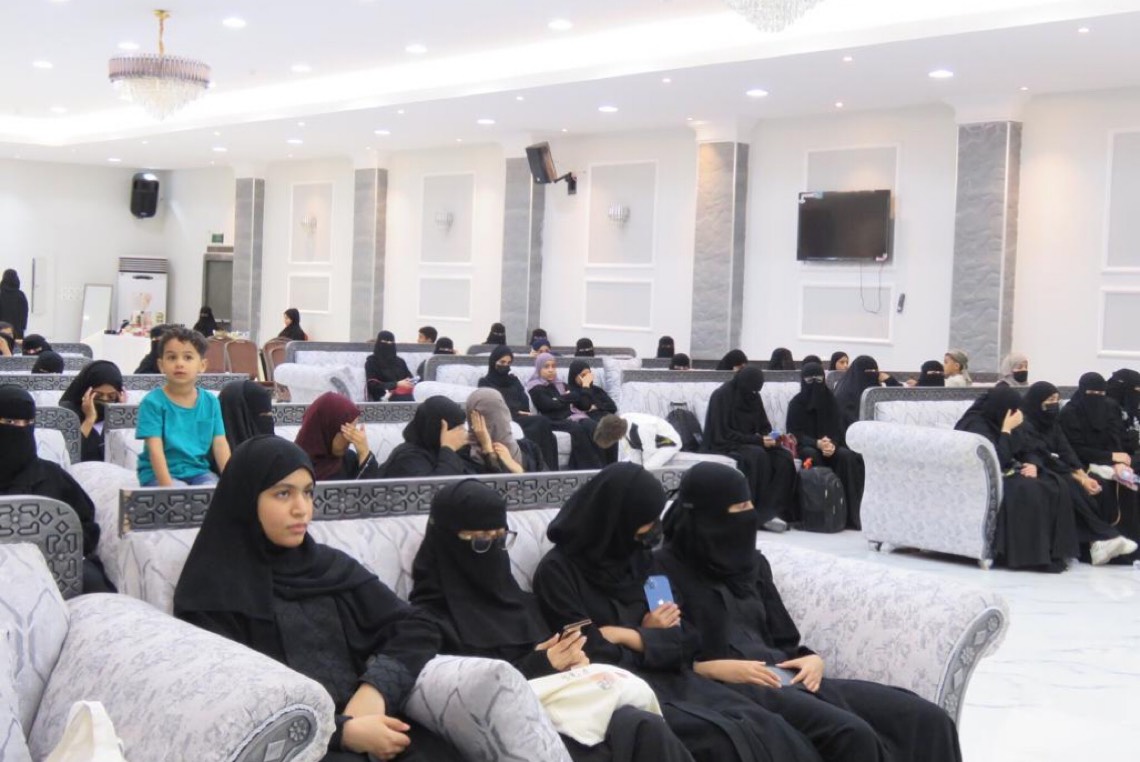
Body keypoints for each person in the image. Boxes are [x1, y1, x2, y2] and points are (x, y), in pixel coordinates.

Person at [173, 436, 463, 762]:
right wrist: (340, 733)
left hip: (373, 726)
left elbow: (419, 625)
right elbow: (231, 705)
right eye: (283, 493)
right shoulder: (213, 590)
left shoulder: (328, 567)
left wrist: (376, 689)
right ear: (246, 498)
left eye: (308, 492)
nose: (302, 508)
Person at [657, 463, 962, 762]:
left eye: (750, 505)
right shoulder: (659, 572)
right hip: (733, 689)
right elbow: (664, 650)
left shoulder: (752, 564)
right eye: (739, 508)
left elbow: (784, 637)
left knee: (927, 719)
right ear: (707, 516)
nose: (749, 516)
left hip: (787, 676)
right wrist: (711, 668)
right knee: (852, 734)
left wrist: (812, 658)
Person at [532, 463, 823, 762]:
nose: (654, 531)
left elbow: (686, 639)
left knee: (770, 728)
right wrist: (652, 638)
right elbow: (587, 650)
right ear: (618, 521)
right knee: (723, 740)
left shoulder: (642, 561)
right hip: (624, 692)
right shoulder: (558, 573)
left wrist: (629, 636)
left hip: (681, 681)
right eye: (645, 523)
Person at [411, 479, 695, 762]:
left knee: (646, 726)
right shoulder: (427, 624)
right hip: (520, 736)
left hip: (575, 713)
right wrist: (541, 664)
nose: (495, 549)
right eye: (483, 541)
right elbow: (460, 702)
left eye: (501, 538)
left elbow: (580, 649)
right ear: (446, 542)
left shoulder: (524, 604)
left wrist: (574, 661)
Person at [0, 386, 113, 592]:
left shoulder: (52, 475)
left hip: (53, 572)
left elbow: (84, 524)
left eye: (28, 423)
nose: (20, 429)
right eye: (10, 422)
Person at [956, 387, 1079, 571]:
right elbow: (996, 459)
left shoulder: (1013, 419)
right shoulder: (976, 424)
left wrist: (1033, 464)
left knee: (1054, 483)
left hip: (1010, 469)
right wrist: (1006, 430)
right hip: (985, 477)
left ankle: (1053, 553)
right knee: (1028, 490)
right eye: (1011, 410)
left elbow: (1029, 447)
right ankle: (1028, 556)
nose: (1016, 414)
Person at [1013, 381, 1136, 565]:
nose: (1054, 404)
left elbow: (1066, 451)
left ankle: (1100, 541)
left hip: (1058, 466)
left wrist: (1083, 477)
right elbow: (1041, 454)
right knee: (1069, 485)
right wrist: (1078, 478)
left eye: (1057, 399)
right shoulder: (1025, 423)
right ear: (1037, 401)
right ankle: (1105, 537)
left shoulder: (1052, 423)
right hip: (1038, 467)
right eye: (1049, 400)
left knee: (1093, 485)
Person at [702, 367, 795, 532]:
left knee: (783, 457)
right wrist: (758, 440)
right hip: (725, 443)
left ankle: (773, 511)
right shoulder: (722, 396)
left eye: (756, 391)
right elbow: (723, 432)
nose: (753, 394)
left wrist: (772, 437)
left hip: (752, 442)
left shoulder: (753, 396)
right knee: (757, 456)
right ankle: (751, 512)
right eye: (751, 390)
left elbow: (764, 425)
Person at [137, 328, 230, 487]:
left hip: (198, 472)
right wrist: (169, 489)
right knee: (182, 494)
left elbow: (220, 444)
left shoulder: (211, 402)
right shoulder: (152, 402)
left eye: (188, 357)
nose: (179, 363)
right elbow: (155, 449)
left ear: (202, 365)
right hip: (158, 475)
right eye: (172, 357)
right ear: (161, 365)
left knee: (212, 491)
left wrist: (231, 482)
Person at [1059, 372, 1140, 556]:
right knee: (1100, 486)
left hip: (1110, 461)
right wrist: (1110, 457)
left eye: (1101, 394)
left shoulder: (1110, 407)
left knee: (1130, 481)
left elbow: (1115, 436)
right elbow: (1074, 448)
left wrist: (1118, 461)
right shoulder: (1070, 413)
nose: (1097, 398)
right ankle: (1100, 543)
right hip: (1081, 464)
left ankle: (1131, 544)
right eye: (1092, 393)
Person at [785, 362, 865, 528]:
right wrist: (817, 443)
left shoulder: (831, 401)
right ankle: (820, 514)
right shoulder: (796, 403)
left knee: (847, 457)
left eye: (819, 378)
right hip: (806, 446)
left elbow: (838, 428)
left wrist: (832, 444)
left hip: (829, 445)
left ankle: (850, 515)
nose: (815, 383)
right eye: (809, 380)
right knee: (812, 455)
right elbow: (795, 433)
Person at [478, 345, 559, 470]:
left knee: (545, 429)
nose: (505, 366)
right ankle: (541, 469)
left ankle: (549, 471)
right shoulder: (485, 382)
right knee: (541, 422)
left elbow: (524, 399)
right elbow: (491, 405)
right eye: (502, 362)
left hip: (520, 416)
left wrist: (520, 410)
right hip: (503, 419)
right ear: (493, 361)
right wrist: (514, 410)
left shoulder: (513, 380)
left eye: (508, 363)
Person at [527, 353, 605, 469]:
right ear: (539, 369)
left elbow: (583, 404)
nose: (551, 370)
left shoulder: (561, 384)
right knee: (577, 429)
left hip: (571, 417)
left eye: (553, 366)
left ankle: (603, 465)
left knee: (592, 425)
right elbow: (548, 405)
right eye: (546, 367)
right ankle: (586, 468)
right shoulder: (535, 387)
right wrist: (567, 397)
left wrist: (585, 386)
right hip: (552, 420)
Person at [379, 396, 473, 478]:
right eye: (456, 428)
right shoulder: (407, 458)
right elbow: (436, 487)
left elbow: (473, 477)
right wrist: (448, 448)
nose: (461, 433)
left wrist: (482, 445)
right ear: (437, 429)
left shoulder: (444, 450)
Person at [295, 392, 382, 481]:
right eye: (346, 432)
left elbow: (370, 488)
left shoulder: (349, 461)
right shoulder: (294, 466)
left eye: (353, 431)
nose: (350, 439)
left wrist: (364, 455)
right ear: (327, 432)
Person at [59, 360, 127, 462]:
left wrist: (121, 413)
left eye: (111, 396)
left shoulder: (119, 414)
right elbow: (68, 456)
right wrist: (89, 419)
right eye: (97, 396)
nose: (104, 400)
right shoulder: (66, 414)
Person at [463, 388, 540, 473]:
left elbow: (545, 479)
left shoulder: (528, 448)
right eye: (485, 416)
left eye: (498, 412)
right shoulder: (464, 456)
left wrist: (515, 467)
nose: (496, 420)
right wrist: (488, 452)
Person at [833, 356, 900, 430]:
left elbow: (902, 398)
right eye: (870, 371)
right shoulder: (844, 393)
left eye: (875, 371)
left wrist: (890, 380)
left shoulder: (873, 392)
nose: (874, 375)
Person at [593, 413, 681, 469]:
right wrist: (636, 467)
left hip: (668, 443)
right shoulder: (621, 423)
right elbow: (632, 451)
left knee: (648, 468)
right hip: (645, 444)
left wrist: (640, 470)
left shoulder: (642, 429)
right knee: (623, 466)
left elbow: (649, 452)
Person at [219, 380, 275, 451]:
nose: (268, 422)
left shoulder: (277, 451)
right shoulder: (207, 452)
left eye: (269, 415)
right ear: (236, 416)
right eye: (263, 415)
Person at [365, 331, 414, 402]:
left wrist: (411, 381)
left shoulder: (400, 362)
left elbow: (409, 378)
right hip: (383, 399)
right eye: (385, 342)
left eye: (391, 342)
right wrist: (396, 384)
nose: (388, 345)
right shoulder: (372, 362)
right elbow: (372, 386)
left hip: (405, 395)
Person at [1107, 368, 1140, 458]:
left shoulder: (1131, 407)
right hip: (1113, 456)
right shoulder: (1106, 407)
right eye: (1137, 390)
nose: (1137, 395)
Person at [0, 269, 29, 340]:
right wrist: (22, 328)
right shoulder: (20, 295)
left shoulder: (1, 294)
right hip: (17, 332)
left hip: (1, 330)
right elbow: (24, 314)